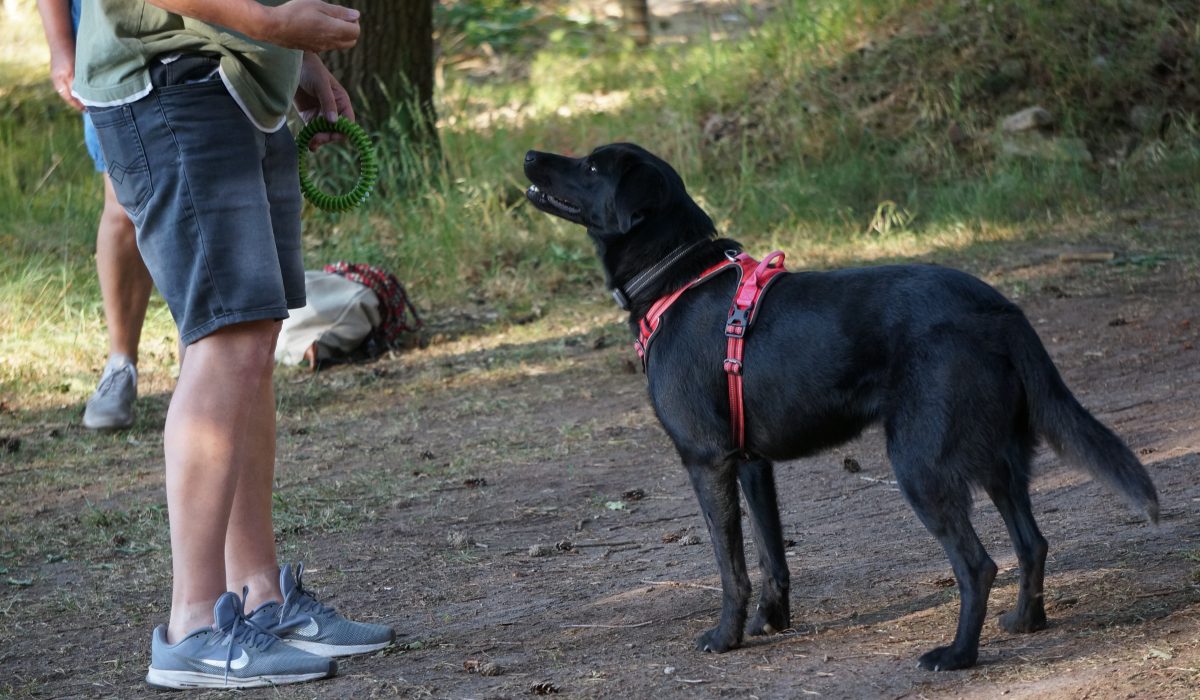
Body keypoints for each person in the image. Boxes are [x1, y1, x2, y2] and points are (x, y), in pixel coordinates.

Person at [72, 0, 394, 689]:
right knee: (226, 336)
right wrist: (275, 29)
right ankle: (191, 626)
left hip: (238, 79)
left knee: (251, 333)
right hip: (168, 82)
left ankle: (258, 598)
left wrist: (294, 58)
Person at [36, 0, 154, 431]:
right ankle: (120, 366)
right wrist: (61, 47)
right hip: (106, 43)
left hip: (202, 45)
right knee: (124, 206)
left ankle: (202, 364)